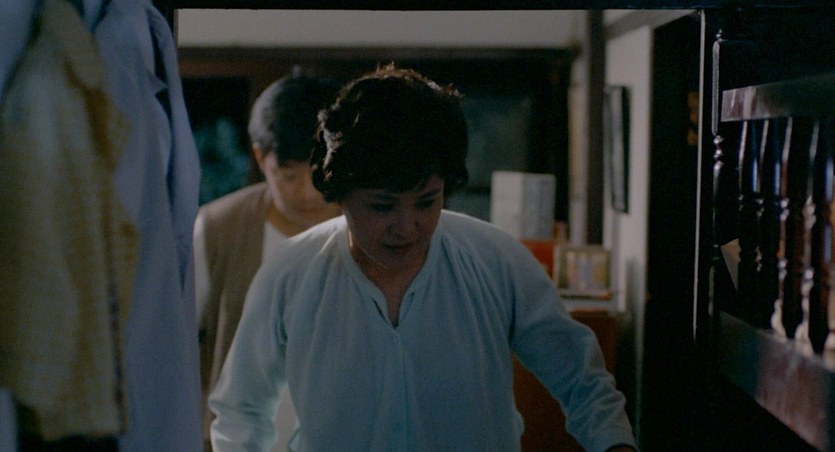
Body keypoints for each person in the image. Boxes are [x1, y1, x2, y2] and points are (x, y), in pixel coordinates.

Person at [209, 65, 637, 452]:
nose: (407, 227)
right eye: (382, 206)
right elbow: (240, 413)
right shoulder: (290, 274)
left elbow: (583, 382)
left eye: (426, 201)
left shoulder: (496, 261)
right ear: (339, 195)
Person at [194, 72, 342, 451]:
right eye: (288, 176)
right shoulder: (218, 228)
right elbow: (174, 345)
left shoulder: (372, 228)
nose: (307, 193)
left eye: (319, 174)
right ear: (260, 158)